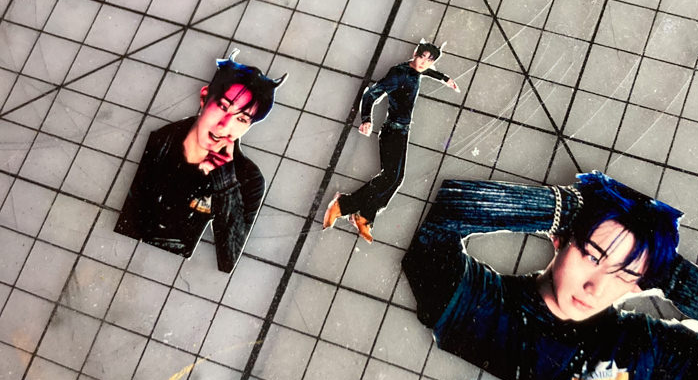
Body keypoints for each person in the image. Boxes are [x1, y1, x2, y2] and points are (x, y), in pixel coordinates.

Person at [403, 173, 698, 380]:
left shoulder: (645, 349)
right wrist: (562, 209)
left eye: (624, 274)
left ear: (641, 285)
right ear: (561, 240)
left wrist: (673, 276)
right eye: (592, 256)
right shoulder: (477, 300)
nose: (595, 287)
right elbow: (440, 220)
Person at [115, 56, 285, 272]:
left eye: (242, 119)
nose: (224, 126)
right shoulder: (160, 141)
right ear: (205, 98)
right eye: (223, 107)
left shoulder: (248, 178)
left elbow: (228, 261)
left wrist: (225, 184)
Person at [323, 41, 459, 243]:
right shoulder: (399, 73)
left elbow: (424, 71)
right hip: (392, 131)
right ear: (415, 53)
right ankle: (343, 206)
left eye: (429, 61)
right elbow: (371, 94)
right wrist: (367, 119)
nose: (423, 63)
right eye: (422, 57)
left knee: (395, 179)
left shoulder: (416, 70)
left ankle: (363, 216)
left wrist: (444, 78)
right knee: (390, 178)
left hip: (401, 132)